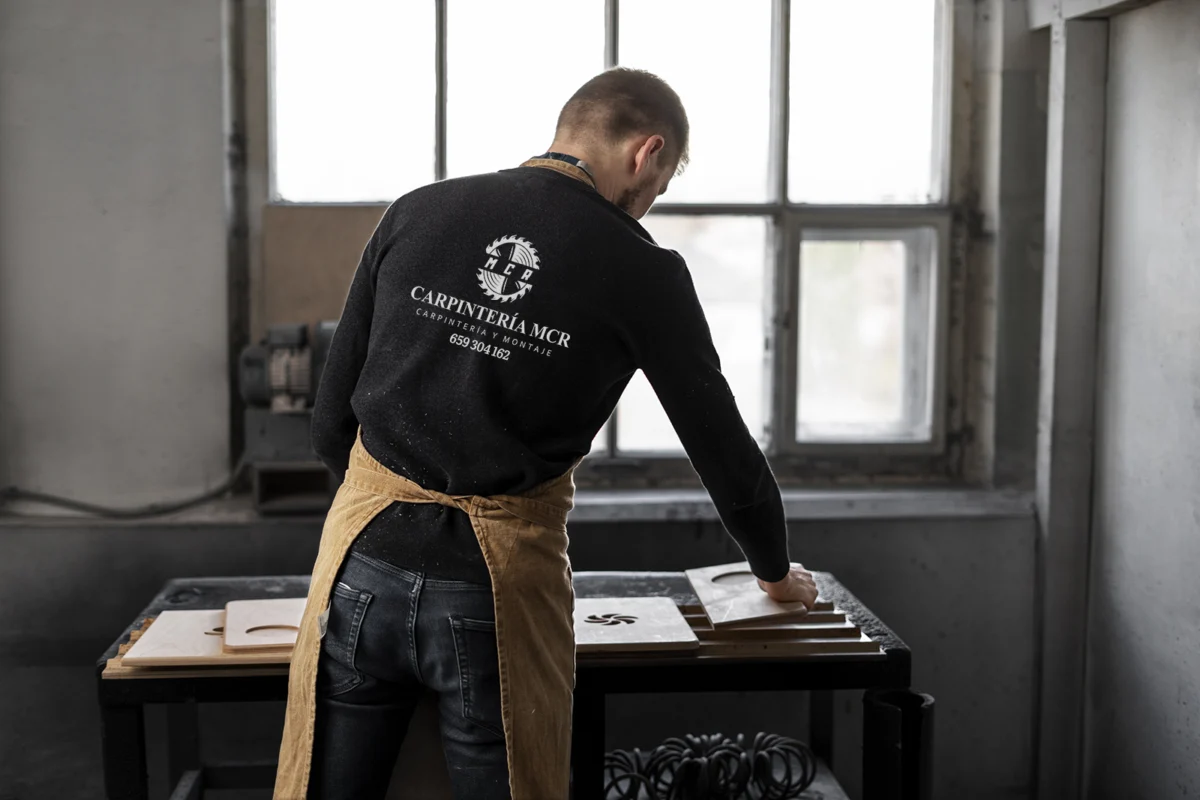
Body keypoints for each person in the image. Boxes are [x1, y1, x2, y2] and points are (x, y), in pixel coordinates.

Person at [273, 67, 819, 800]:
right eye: (660, 185)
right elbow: (721, 447)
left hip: (359, 563)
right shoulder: (643, 270)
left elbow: (330, 420)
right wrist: (775, 574)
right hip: (492, 590)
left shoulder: (419, 209)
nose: (649, 204)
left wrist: (394, 512)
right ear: (647, 152)